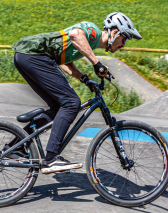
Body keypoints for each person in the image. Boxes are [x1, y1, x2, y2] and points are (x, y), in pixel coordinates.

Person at [10, 12, 141, 174]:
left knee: (59, 107)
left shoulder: (88, 45)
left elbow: (64, 62)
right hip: (34, 55)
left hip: (27, 56)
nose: (124, 45)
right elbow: (75, 34)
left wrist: (85, 80)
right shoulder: (92, 32)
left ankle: (16, 146)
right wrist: (96, 63)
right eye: (125, 39)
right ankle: (51, 158)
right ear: (115, 33)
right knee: (71, 103)